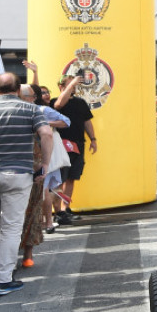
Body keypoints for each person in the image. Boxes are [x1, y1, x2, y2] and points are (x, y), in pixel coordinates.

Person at [0, 73, 54, 297]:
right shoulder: (30, 110)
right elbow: (46, 133)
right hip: (19, 173)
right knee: (11, 227)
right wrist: (45, 164)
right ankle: (3, 279)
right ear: (18, 89)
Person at [17, 84, 69, 268]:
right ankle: (27, 256)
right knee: (31, 210)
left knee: (6, 218)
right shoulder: (35, 111)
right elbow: (47, 134)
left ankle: (3, 263)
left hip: (4, 169)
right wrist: (45, 163)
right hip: (31, 166)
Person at [52, 73, 96, 225]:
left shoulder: (80, 102)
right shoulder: (54, 102)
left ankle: (66, 208)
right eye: (70, 84)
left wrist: (93, 139)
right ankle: (58, 211)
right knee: (59, 179)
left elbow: (87, 122)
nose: (74, 87)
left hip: (78, 143)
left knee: (72, 177)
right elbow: (59, 105)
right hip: (61, 144)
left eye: (75, 85)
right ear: (61, 86)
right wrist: (70, 86)